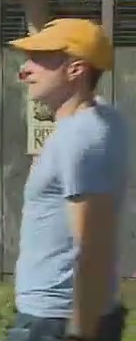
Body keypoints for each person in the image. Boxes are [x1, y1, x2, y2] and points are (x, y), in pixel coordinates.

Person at [8, 19, 128, 341]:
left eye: (38, 59)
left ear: (76, 70)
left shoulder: (81, 137)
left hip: (57, 320)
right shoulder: (99, 117)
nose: (25, 70)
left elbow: (93, 246)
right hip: (56, 313)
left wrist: (80, 332)